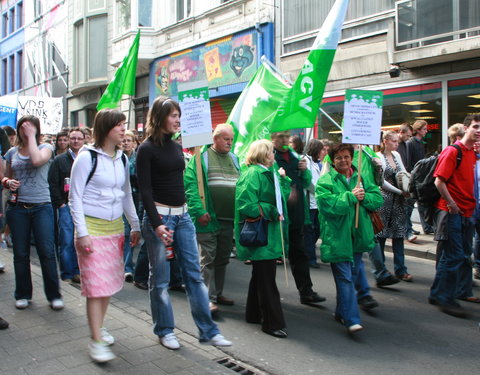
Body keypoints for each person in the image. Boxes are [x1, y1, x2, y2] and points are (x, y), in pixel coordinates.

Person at [136, 96, 232, 350]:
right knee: (160, 280)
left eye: (179, 115)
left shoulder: (178, 147)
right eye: (173, 115)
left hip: (183, 217)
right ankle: (165, 330)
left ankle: (208, 331)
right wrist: (157, 224)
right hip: (160, 219)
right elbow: (144, 191)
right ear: (158, 118)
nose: (178, 120)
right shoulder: (145, 149)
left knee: (194, 275)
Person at [69, 109, 140, 362]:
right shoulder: (86, 157)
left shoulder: (121, 158)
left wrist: (135, 224)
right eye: (119, 125)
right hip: (92, 229)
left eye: (124, 124)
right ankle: (96, 339)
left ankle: (99, 327)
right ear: (106, 128)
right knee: (95, 287)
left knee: (107, 285)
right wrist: (82, 232)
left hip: (114, 229)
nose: (123, 129)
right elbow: (74, 197)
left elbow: (127, 194)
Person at [316, 143, 383, 333]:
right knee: (345, 278)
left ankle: (341, 311)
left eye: (346, 157)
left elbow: (377, 199)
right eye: (338, 158)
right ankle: (352, 319)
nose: (343, 161)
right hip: (337, 238)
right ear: (332, 160)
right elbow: (328, 206)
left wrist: (364, 197)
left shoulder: (361, 178)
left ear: (352, 157)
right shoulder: (325, 181)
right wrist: (350, 197)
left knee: (351, 276)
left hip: (358, 236)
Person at [3, 115, 63, 311]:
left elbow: (37, 161)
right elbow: (6, 176)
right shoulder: (12, 152)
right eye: (22, 127)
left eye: (29, 127)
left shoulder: (46, 148)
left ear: (36, 129)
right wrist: (7, 182)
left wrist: (31, 137)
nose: (25, 129)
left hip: (41, 206)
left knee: (46, 251)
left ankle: (54, 295)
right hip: (18, 207)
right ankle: (22, 294)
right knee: (20, 253)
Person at [235, 139, 289, 338]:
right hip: (262, 233)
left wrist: (283, 180)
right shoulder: (252, 174)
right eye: (272, 152)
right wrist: (272, 211)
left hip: (267, 234)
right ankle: (272, 323)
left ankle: (254, 314)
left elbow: (280, 199)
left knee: (260, 276)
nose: (274, 155)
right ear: (265, 154)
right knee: (267, 280)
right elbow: (247, 205)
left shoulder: (265, 173)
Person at [429, 114, 480, 318]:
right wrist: (452, 204)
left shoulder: (471, 153)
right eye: (475, 126)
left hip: (467, 211)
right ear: (466, 128)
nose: (478, 130)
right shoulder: (453, 151)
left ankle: (437, 294)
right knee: (455, 256)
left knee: (452, 256)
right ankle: (446, 299)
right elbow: (439, 181)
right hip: (452, 212)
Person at [184, 123, 240, 312]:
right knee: (207, 259)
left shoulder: (234, 158)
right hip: (208, 219)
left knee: (223, 258)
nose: (229, 143)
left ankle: (217, 293)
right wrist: (199, 211)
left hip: (228, 220)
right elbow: (191, 187)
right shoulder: (201, 158)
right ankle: (204, 298)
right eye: (226, 139)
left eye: (231, 139)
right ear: (215, 139)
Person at [271, 131, 326, 305]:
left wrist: (304, 171)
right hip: (278, 215)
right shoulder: (269, 156)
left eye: (287, 136)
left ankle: (306, 291)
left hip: (297, 213)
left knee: (299, 254)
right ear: (272, 138)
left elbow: (306, 182)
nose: (285, 140)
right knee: (271, 257)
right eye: (280, 136)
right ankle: (268, 296)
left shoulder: (294, 155)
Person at [48, 128, 86, 283]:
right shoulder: (59, 160)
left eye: (79, 138)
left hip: (84, 207)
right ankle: (66, 273)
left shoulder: (87, 158)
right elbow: (52, 183)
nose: (76, 141)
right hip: (66, 206)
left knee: (80, 240)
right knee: (66, 240)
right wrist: (61, 204)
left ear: (84, 140)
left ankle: (78, 271)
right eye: (73, 138)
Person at [376, 131, 412, 282]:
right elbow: (381, 181)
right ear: (385, 141)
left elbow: (403, 172)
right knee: (381, 235)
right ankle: (382, 269)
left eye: (397, 141)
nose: (397, 144)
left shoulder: (396, 155)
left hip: (399, 201)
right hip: (385, 199)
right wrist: (400, 191)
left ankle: (401, 269)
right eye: (394, 141)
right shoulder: (378, 157)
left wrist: (409, 185)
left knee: (399, 234)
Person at [406, 120, 434, 236]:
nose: (426, 131)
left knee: (421, 203)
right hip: (414, 177)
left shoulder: (421, 143)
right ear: (418, 130)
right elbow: (409, 161)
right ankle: (408, 228)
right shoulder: (411, 143)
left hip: (420, 177)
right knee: (410, 205)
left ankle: (426, 226)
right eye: (424, 129)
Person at [121, 130, 139, 282]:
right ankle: (126, 267)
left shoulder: (138, 158)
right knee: (125, 233)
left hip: (137, 199)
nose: (126, 143)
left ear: (134, 143)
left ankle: (130, 265)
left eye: (129, 140)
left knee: (134, 232)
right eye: (124, 140)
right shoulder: (117, 158)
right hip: (120, 201)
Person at [303, 139, 324, 268]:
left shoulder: (318, 163)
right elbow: (307, 182)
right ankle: (310, 258)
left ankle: (307, 251)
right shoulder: (305, 161)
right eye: (321, 149)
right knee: (309, 231)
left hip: (317, 203)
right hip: (309, 202)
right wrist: (318, 191)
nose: (323, 152)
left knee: (317, 229)